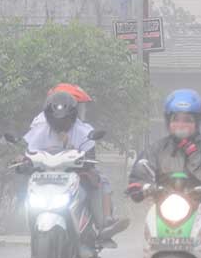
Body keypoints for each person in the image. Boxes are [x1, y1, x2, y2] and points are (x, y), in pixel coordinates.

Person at [23, 90, 128, 245]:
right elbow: (29, 150)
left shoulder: (83, 131)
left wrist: (71, 148)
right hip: (45, 177)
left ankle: (104, 224)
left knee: (98, 181)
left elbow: (90, 157)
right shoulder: (40, 129)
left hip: (75, 175)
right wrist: (23, 160)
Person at [126, 89, 201, 246]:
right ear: (168, 122)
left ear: (197, 122)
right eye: (176, 119)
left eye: (187, 120)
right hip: (166, 202)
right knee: (151, 228)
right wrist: (140, 185)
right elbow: (143, 166)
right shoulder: (158, 148)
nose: (181, 124)